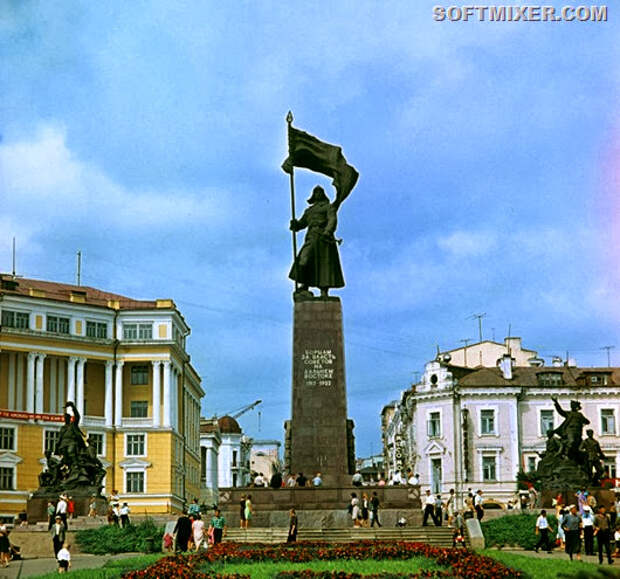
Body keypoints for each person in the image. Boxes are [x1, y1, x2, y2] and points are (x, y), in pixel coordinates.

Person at [288, 185, 346, 299]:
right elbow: (302, 224)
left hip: (323, 238)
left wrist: (328, 231)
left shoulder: (328, 207)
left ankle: (324, 291)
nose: (317, 194)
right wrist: (295, 224)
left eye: (319, 192)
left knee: (324, 264)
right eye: (315, 192)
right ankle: (305, 285)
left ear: (323, 194)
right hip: (311, 237)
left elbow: (332, 219)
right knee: (304, 260)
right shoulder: (309, 210)